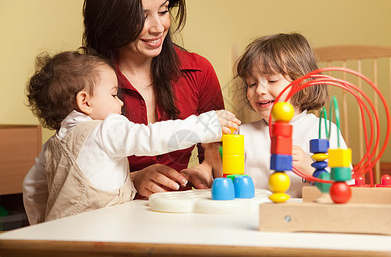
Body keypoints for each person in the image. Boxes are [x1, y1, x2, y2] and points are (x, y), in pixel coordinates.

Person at [23, 0, 226, 206]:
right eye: (141, 17)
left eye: (163, 11)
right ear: (111, 20)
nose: (158, 27)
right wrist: (132, 179)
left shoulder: (198, 71)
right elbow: (73, 168)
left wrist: (205, 170)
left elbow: (217, 153)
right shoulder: (84, 83)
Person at [24, 50, 239, 222]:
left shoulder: (53, 145)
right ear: (85, 101)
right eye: (113, 94)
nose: (121, 102)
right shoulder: (106, 130)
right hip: (99, 236)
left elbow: (32, 189)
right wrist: (206, 125)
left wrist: (42, 225)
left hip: (58, 237)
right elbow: (152, 137)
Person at [235, 33, 346, 198]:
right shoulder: (242, 134)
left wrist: (310, 167)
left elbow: (343, 187)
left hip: (302, 217)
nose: (259, 90)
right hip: (253, 217)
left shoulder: (324, 131)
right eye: (252, 83)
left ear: (302, 82)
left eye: (272, 80)